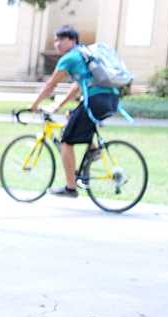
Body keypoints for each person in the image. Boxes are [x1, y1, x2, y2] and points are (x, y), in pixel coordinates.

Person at [26, 25, 119, 198]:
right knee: (71, 117)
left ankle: (70, 188)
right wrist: (58, 105)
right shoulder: (84, 55)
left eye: (62, 39)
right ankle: (92, 150)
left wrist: (34, 104)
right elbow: (77, 86)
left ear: (72, 40)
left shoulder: (69, 58)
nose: (57, 43)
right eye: (55, 40)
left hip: (94, 100)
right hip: (110, 99)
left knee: (66, 142)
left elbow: (50, 84)